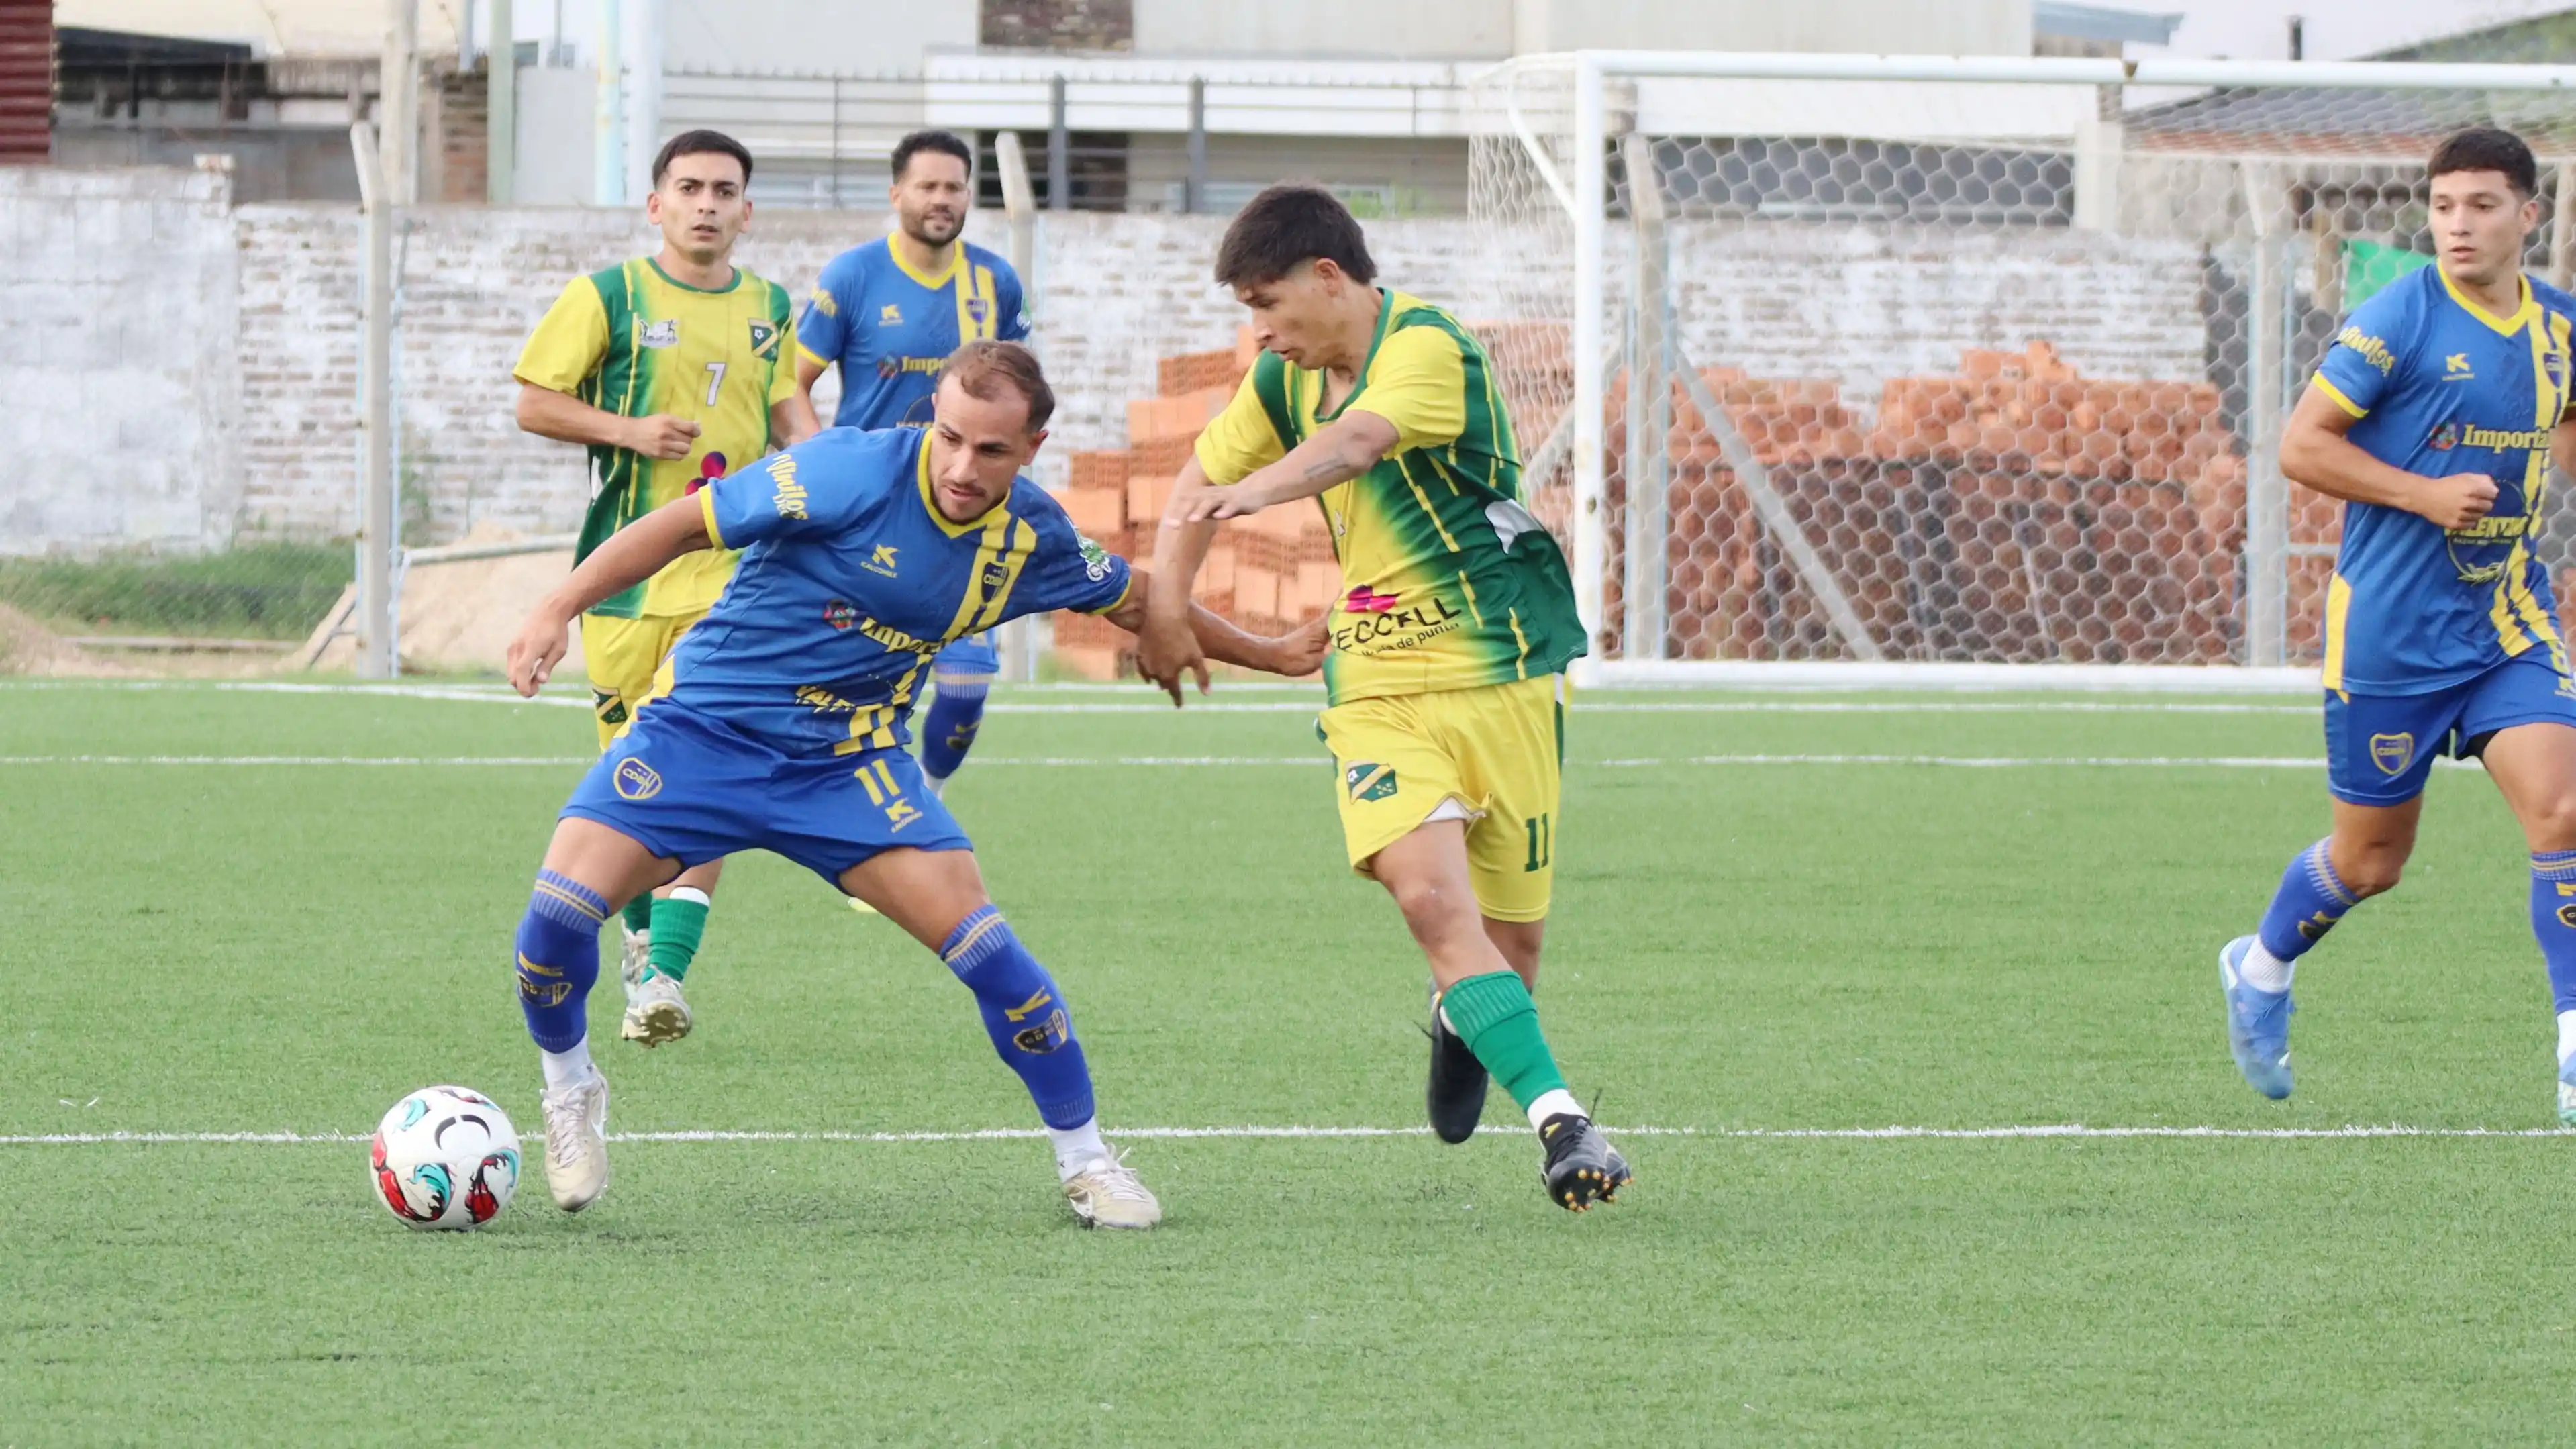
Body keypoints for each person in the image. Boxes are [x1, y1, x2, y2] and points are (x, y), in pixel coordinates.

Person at [501, 340, 1326, 1226]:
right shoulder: (846, 468)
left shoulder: (1029, 536)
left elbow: (1136, 598)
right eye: (951, 437)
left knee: (996, 961)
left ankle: (1087, 1159)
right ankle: (571, 1086)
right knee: (551, 923)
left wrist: (1271, 654)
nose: (965, 466)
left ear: (1032, 448)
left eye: (992, 450)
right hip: (704, 733)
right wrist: (557, 607)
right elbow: (680, 525)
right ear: (931, 420)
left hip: (846, 766)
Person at [1136, 183, 1631, 1212]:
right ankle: (1562, 1121)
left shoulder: (1428, 347)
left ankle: (1463, 1018)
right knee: (1427, 899)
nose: (1260, 334)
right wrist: (1168, 613)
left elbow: (1357, 444)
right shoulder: (1279, 384)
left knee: (1512, 949)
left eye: (1267, 304)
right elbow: (1193, 483)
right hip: (1374, 684)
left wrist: (1254, 493)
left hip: (1503, 675)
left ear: (1328, 278)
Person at [2217, 126, 2576, 1115]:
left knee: (2563, 808)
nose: (2457, 225)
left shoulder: (2559, 327)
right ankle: (2259, 967)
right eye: (2444, 206)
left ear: (2526, 216)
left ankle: (2572, 1044)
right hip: (2386, 632)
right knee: (2371, 861)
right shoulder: (2395, 319)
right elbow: (2300, 446)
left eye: (2481, 206)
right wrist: (2421, 493)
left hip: (2506, 619)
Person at [513, 128, 818, 1048]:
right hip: (623, 585)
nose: (707, 204)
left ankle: (669, 969)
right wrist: (630, 429)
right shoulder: (607, 296)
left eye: (724, 190)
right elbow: (534, 397)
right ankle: (648, 960)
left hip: (733, 580)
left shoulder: (769, 304)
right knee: (640, 788)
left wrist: (824, 470)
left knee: (710, 763)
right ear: (657, 205)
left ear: (746, 210)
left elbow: (787, 414)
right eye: (689, 187)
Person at [795, 130, 1030, 801]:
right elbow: (791, 383)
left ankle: (924, 795)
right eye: (927, 186)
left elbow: (1021, 389)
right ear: (897, 192)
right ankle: (862, 820)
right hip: (871, 511)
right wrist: (824, 465)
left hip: (964, 512)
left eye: (954, 187)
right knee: (851, 688)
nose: (941, 199)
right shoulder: (852, 277)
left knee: (963, 689)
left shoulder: (995, 282)